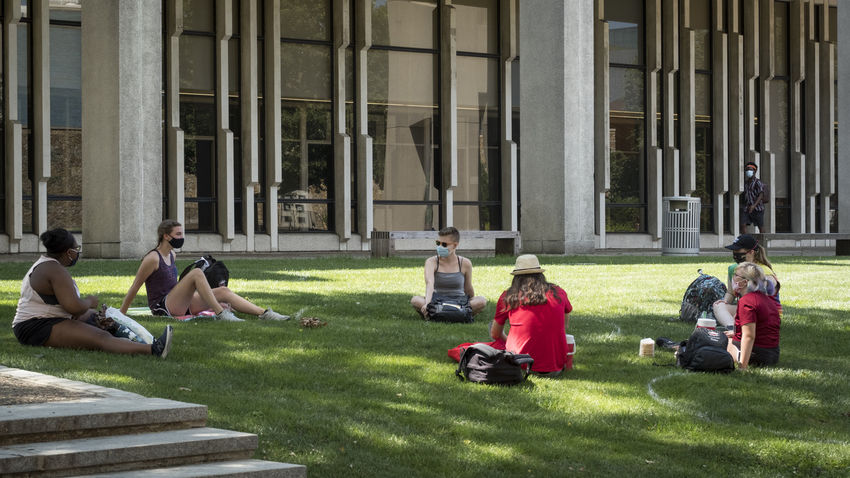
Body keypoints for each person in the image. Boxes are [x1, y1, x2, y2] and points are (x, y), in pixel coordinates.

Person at [13, 228, 172, 358]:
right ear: (68, 252)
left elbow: (63, 304)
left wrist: (89, 312)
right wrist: (90, 301)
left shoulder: (49, 265)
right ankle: (153, 350)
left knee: (96, 317)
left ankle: (141, 341)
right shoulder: (54, 270)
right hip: (35, 327)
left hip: (46, 319)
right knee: (100, 339)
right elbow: (74, 307)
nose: (77, 253)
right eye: (76, 249)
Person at [120, 219, 289, 322]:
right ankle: (221, 313)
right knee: (196, 273)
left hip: (178, 302)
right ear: (166, 236)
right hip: (162, 307)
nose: (181, 238)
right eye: (178, 234)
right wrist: (121, 315)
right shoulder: (152, 258)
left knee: (223, 290)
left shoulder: (172, 254)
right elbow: (135, 287)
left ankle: (265, 313)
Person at [488, 255, 573, 376]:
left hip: (520, 365)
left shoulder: (509, 296)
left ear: (516, 277)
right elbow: (564, 327)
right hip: (556, 367)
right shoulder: (559, 292)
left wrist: (508, 340)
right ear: (540, 274)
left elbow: (495, 334)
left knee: (492, 328)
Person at [410, 227, 487, 319]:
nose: (440, 247)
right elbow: (429, 284)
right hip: (437, 301)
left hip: (459, 301)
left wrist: (471, 302)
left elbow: (468, 288)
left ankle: (436, 315)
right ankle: (459, 315)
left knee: (481, 301)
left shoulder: (465, 263)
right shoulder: (431, 262)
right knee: (415, 300)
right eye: (438, 243)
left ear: (455, 245)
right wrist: (427, 303)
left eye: (444, 244)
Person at [712, 234, 780, 327]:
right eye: (734, 251)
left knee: (745, 310)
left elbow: (768, 291)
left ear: (751, 252)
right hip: (746, 308)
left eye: (739, 251)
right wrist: (725, 301)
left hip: (765, 312)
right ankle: (732, 327)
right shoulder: (734, 269)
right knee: (719, 306)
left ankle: (738, 328)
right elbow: (731, 293)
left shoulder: (764, 271)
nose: (735, 254)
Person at [724, 262, 781, 369]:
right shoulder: (766, 300)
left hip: (756, 355)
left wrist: (742, 366)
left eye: (736, 275)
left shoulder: (747, 301)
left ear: (744, 282)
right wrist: (736, 333)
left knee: (714, 340)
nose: (733, 277)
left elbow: (749, 336)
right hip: (772, 354)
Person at [740, 161, 766, 233]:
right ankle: (746, 241)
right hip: (747, 208)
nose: (748, 171)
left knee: (760, 226)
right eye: (747, 169)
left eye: (750, 169)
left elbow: (761, 194)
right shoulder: (746, 183)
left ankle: (762, 242)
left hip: (758, 208)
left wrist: (754, 205)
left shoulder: (758, 182)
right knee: (743, 224)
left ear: (754, 171)